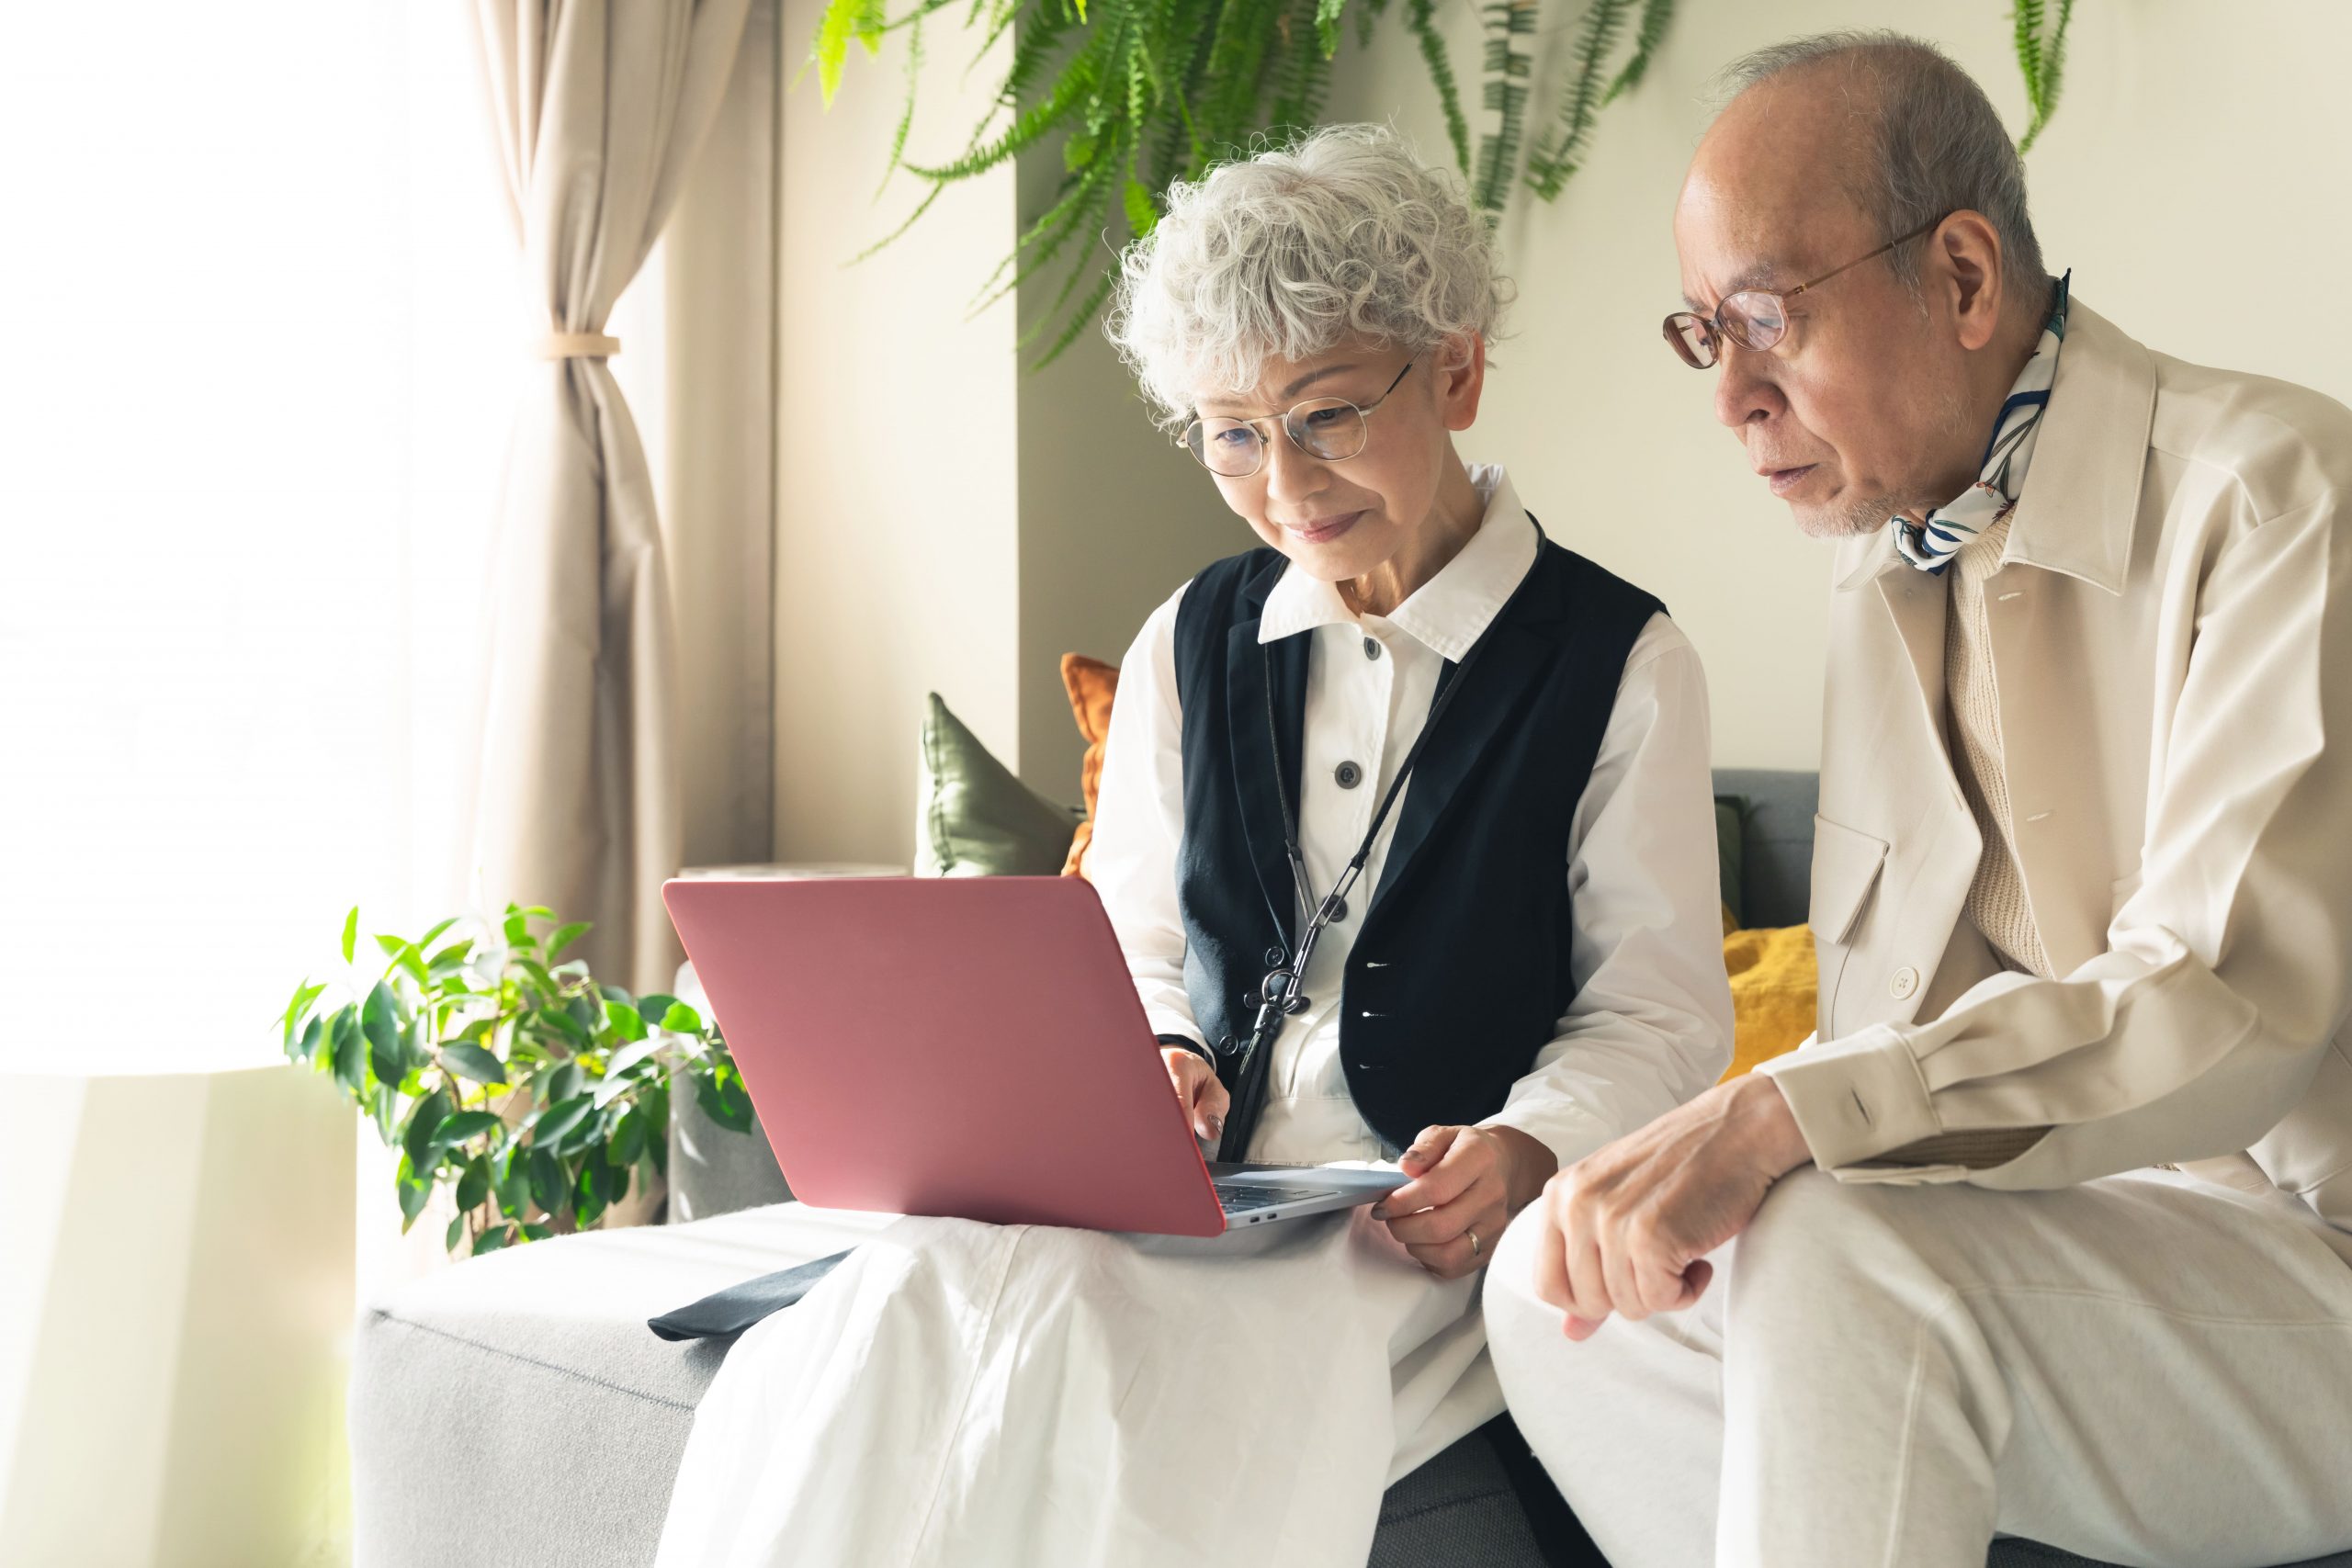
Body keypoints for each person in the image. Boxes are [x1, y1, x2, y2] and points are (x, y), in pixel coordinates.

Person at [654, 125, 1731, 1567]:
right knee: (895, 1315)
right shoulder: (1194, 636)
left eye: (1328, 414)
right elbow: (1133, 938)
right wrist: (1154, 1055)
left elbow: (1656, 1010)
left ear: (1457, 371)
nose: (1284, 482)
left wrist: (1530, 1146)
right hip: (1187, 1197)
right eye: (1233, 431)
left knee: (1151, 1405)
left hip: (1399, 1233)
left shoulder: (1623, 661)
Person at [1484, 31, 2352, 1568]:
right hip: (2099, 1250)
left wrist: (1780, 1112)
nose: (1735, 398)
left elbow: (2224, 1009)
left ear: (1961, 278)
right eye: (1704, 335)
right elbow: (1897, 1014)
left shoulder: (2276, 490)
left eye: (1766, 319)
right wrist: (1664, 1159)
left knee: (1833, 1247)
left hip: (2316, 1261)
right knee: (1549, 1285)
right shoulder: (1886, 558)